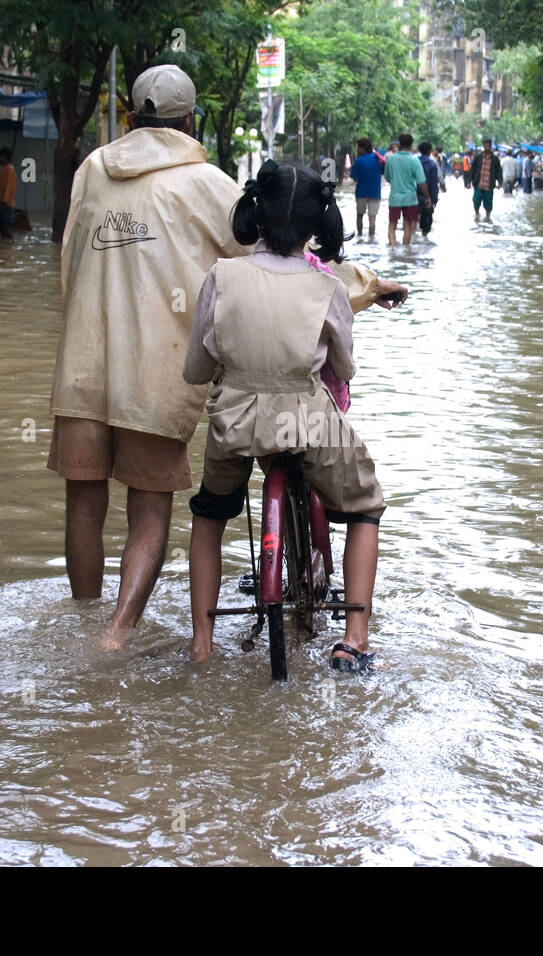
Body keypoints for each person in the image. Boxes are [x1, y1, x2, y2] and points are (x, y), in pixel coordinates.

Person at [48, 65, 402, 652]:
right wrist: (368, 283)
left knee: (83, 497)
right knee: (149, 505)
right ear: (190, 123)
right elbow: (284, 268)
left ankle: (88, 624)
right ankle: (115, 635)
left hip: (82, 361)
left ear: (132, 117)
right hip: (150, 377)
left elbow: (68, 265)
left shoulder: (90, 169)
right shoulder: (205, 183)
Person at [183, 160, 385, 672]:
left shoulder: (222, 276)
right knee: (364, 505)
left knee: (209, 513)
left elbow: (196, 369)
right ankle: (355, 637)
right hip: (308, 423)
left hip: (234, 424)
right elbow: (343, 368)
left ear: (255, 212)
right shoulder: (329, 287)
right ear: (317, 226)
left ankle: (202, 643)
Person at [383, 132, 431, 247]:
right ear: (411, 144)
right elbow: (421, 182)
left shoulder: (391, 159)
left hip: (395, 197)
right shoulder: (414, 161)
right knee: (408, 225)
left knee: (392, 224)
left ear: (399, 143)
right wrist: (427, 197)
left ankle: (393, 249)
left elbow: (388, 177)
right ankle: (406, 250)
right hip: (410, 198)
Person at [349, 137, 384, 241]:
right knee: (372, 217)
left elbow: (354, 178)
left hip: (361, 192)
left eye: (358, 147)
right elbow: (382, 172)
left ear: (362, 148)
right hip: (375, 192)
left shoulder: (359, 161)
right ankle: (371, 238)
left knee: (360, 215)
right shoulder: (378, 159)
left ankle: (359, 236)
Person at [416, 140, 444, 240]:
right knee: (426, 221)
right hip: (427, 196)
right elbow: (433, 183)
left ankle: (411, 242)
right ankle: (424, 238)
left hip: (413, 195)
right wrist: (434, 199)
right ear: (429, 151)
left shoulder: (414, 161)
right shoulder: (432, 164)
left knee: (412, 219)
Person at [469, 138, 501, 223]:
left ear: (490, 146)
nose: (487, 147)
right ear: (483, 146)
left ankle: (487, 217)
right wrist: (468, 181)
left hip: (489, 185)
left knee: (488, 203)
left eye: (488, 146)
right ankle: (477, 214)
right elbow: (472, 169)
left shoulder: (495, 159)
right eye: (485, 145)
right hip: (479, 184)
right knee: (476, 200)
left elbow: (498, 171)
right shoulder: (478, 157)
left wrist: (500, 182)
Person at [0, 147, 17, 239]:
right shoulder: (3, 170)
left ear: (4, 157)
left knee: (6, 227)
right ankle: (3, 248)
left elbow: (9, 187)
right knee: (2, 227)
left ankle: (11, 244)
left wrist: (4, 202)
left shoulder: (10, 169)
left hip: (5, 204)